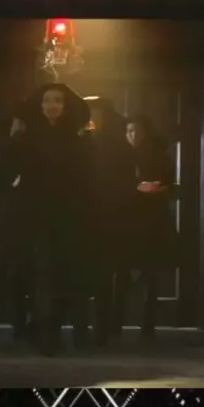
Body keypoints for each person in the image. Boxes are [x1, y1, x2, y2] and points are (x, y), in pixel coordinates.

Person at [0, 83, 93, 355]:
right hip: (36, 214)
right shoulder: (26, 141)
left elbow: (91, 180)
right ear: (40, 106)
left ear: (65, 106)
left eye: (58, 100)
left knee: (64, 275)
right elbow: (0, 169)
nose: (52, 105)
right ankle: (47, 335)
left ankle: (49, 329)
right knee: (43, 273)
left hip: (69, 217)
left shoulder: (78, 142)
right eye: (47, 100)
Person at [86, 98, 137, 347]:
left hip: (110, 216)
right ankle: (100, 326)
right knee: (100, 274)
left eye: (96, 114)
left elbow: (125, 182)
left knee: (106, 274)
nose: (92, 119)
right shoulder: (87, 141)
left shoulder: (115, 145)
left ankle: (104, 327)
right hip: (96, 216)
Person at [126, 114, 175, 343]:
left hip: (152, 222)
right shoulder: (121, 156)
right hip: (128, 221)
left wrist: (156, 189)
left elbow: (168, 187)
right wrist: (136, 187)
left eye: (137, 131)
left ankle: (147, 324)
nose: (133, 135)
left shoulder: (159, 157)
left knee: (150, 274)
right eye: (129, 131)